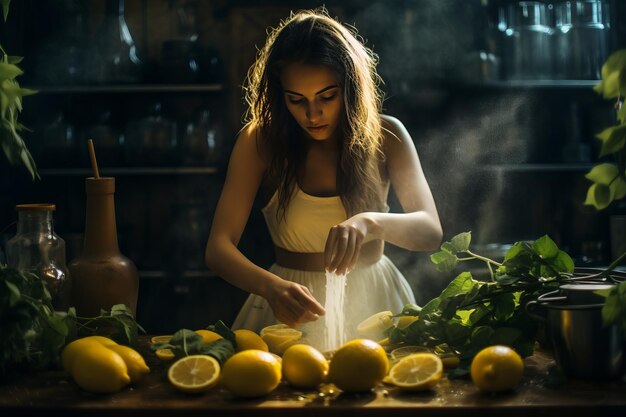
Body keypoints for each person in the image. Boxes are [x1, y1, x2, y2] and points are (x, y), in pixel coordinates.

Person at [205, 9, 442, 348]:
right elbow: (217, 249)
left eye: (327, 97)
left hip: (377, 298)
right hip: (287, 304)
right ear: (278, 94)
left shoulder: (387, 135)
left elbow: (431, 232)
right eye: (296, 100)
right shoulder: (260, 141)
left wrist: (369, 224)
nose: (312, 114)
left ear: (350, 88)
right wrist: (269, 287)